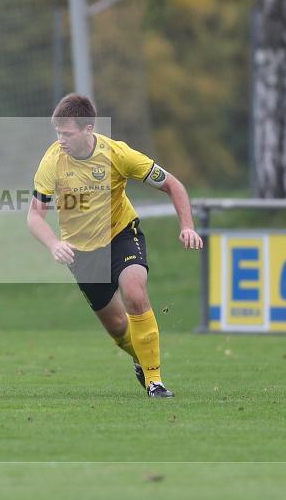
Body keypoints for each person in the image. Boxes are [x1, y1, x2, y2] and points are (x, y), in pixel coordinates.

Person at [27, 94, 203, 398]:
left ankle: (155, 381)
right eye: (58, 134)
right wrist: (53, 243)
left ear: (88, 129)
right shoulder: (52, 161)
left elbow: (173, 184)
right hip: (81, 253)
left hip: (121, 234)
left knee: (134, 292)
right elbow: (34, 216)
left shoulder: (118, 154)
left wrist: (187, 226)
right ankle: (140, 358)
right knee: (118, 326)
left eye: (67, 134)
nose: (61, 141)